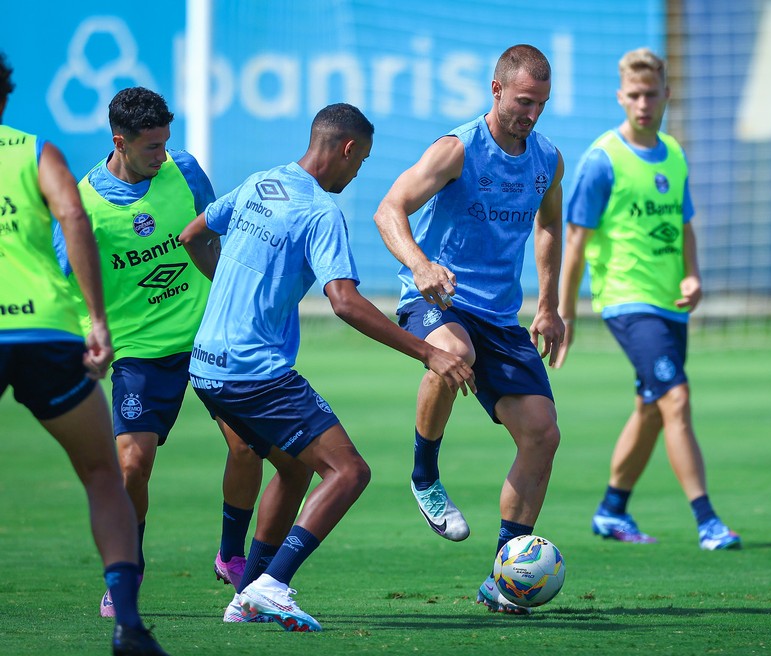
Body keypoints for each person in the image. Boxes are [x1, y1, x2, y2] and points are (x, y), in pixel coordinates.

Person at [179, 102, 476, 631]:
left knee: (293, 470)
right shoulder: (319, 211)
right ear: (347, 149)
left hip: (206, 364)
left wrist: (234, 288)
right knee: (349, 471)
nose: (358, 172)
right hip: (254, 370)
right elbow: (344, 302)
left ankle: (247, 593)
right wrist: (429, 351)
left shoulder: (260, 183)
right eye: (361, 162)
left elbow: (193, 235)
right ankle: (273, 586)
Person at [53, 87, 264, 616]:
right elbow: (63, 285)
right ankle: (128, 569)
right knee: (133, 463)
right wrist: (84, 339)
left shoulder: (184, 169)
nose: (163, 154)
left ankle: (231, 556)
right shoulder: (84, 208)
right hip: (139, 353)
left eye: (167, 142)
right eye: (152, 147)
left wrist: (235, 303)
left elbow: (213, 238)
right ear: (119, 142)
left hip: (207, 336)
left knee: (248, 448)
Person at [373, 44, 565, 614]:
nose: (531, 115)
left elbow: (550, 225)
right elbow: (389, 208)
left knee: (542, 433)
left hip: (501, 316)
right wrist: (420, 265)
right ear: (497, 90)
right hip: (439, 297)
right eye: (524, 102)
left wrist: (549, 305)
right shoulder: (457, 148)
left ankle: (506, 576)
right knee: (451, 353)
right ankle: (424, 474)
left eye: (541, 105)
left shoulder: (548, 159)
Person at [0, 52, 167, 656]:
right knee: (103, 475)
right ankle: (128, 624)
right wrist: (96, 320)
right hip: (45, 330)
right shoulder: (33, 152)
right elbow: (72, 213)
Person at [555, 48, 740, 550]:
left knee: (653, 406)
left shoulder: (674, 154)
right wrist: (562, 312)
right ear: (621, 97)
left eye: (650, 94)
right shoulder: (603, 159)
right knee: (676, 398)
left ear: (666, 96)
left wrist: (693, 275)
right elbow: (575, 240)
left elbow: (684, 226)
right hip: (625, 299)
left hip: (669, 303)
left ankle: (612, 510)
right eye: (633, 95)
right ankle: (707, 521)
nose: (642, 103)